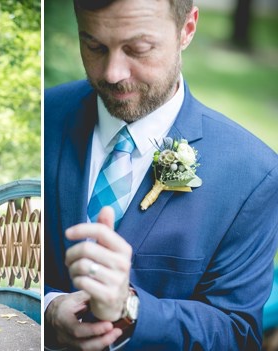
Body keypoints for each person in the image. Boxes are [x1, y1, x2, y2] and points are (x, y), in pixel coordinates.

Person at [43, 0, 278, 350]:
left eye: (138, 48)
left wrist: (130, 311)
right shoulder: (45, 115)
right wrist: (46, 309)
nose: (113, 73)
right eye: (94, 46)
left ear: (187, 29)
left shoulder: (253, 174)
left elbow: (237, 334)